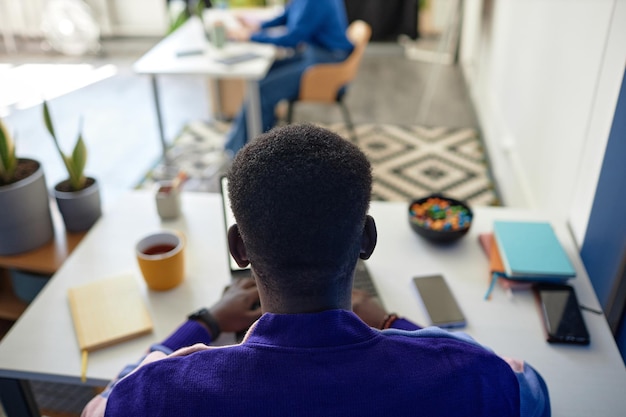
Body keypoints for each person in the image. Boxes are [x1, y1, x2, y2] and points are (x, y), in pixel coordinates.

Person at [82, 124, 550, 417]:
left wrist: (200, 324)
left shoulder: (160, 391)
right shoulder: (466, 374)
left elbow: (101, 405)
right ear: (366, 240)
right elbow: (531, 392)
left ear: (239, 248)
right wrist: (393, 324)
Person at [222, 0, 354, 157]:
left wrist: (251, 36)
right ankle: (243, 146)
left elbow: (293, 38)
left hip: (326, 63)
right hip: (314, 53)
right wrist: (259, 25)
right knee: (262, 78)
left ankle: (245, 153)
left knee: (261, 90)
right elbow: (287, 15)